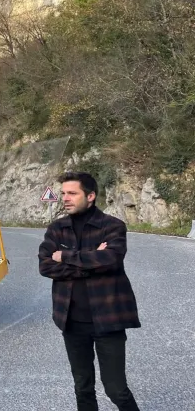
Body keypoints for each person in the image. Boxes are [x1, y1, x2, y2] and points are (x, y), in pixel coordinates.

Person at [38, 171, 141, 411]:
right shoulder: (57, 229)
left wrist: (65, 256)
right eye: (63, 193)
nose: (65, 198)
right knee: (83, 388)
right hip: (72, 322)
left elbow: (111, 260)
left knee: (116, 390)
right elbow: (45, 266)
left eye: (72, 193)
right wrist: (90, 262)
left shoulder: (112, 226)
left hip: (108, 320)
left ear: (91, 195)